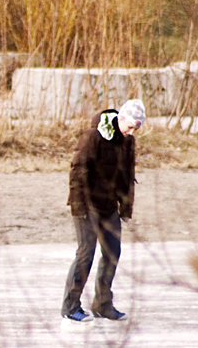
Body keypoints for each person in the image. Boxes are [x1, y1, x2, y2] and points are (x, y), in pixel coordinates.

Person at [61, 99, 146, 324]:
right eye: (130, 127)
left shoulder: (128, 143)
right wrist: (78, 206)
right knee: (85, 253)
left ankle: (102, 304)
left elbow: (128, 176)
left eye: (136, 129)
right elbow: (77, 171)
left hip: (109, 207)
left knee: (112, 253)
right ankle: (70, 307)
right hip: (87, 205)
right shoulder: (94, 136)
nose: (131, 132)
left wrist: (126, 208)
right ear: (121, 119)